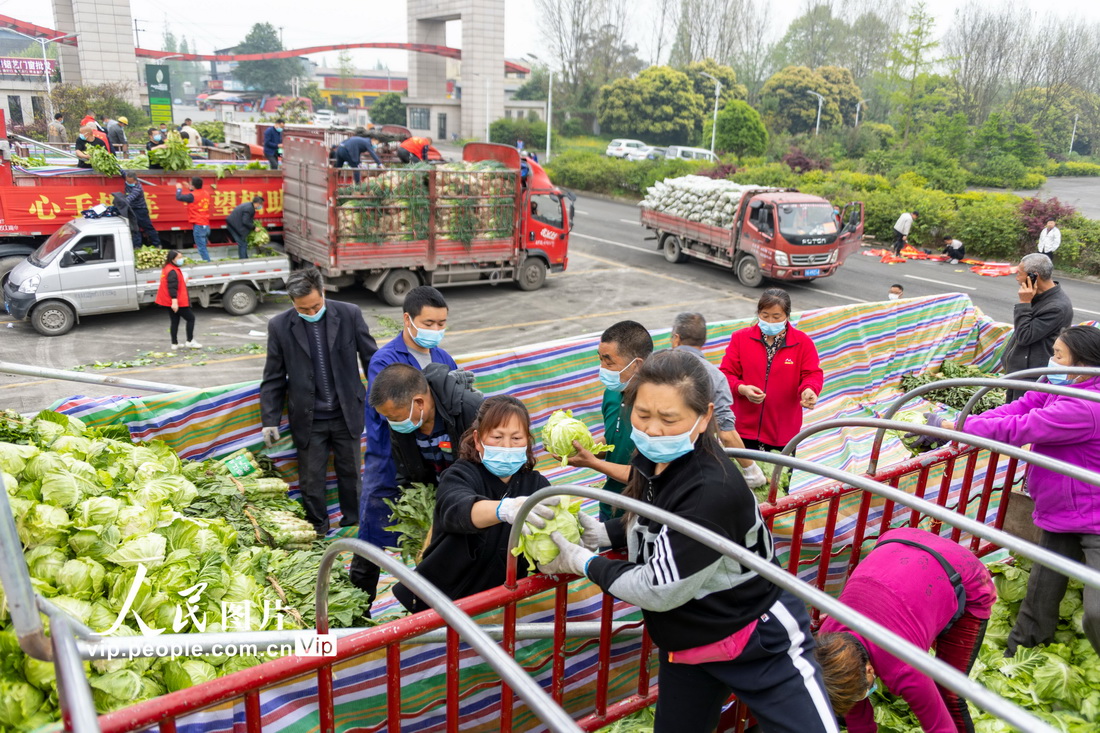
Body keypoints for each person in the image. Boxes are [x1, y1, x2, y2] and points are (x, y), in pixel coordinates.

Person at [541, 350, 839, 733]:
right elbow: (651, 512)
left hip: (755, 634)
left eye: (669, 419)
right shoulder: (656, 457)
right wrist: (606, 534)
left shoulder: (709, 493)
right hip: (688, 642)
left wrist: (584, 563)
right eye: (642, 415)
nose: (651, 430)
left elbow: (657, 588)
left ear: (704, 418)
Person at [929, 325, 1100, 658]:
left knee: (1097, 611)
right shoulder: (1058, 384)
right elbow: (1018, 407)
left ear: (1083, 365)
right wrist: (966, 424)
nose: (1051, 362)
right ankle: (1020, 652)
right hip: (1061, 508)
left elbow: (1024, 427)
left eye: (1059, 356)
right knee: (1041, 590)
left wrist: (955, 427)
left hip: (1094, 516)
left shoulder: (1089, 406)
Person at [384, 392, 559, 612]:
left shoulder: (536, 486)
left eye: (516, 438)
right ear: (478, 440)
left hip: (499, 604)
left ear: (527, 442)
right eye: (497, 437)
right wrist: (503, 509)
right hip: (440, 602)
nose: (507, 446)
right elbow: (456, 509)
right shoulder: (460, 474)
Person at [815, 528, 996, 733]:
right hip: (900, 546)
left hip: (960, 568)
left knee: (949, 692)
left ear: (869, 669)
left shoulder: (904, 666)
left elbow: (942, 729)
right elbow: (859, 719)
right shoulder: (829, 648)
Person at [354, 361, 484, 605]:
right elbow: (407, 474)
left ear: (419, 403)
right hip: (436, 496)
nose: (392, 423)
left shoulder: (470, 410)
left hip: (473, 500)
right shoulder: (403, 425)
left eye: (394, 417)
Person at [259, 268, 378, 536]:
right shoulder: (279, 326)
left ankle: (354, 526)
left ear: (323, 292)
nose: (312, 313)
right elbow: (273, 377)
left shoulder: (349, 314)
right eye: (304, 310)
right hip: (308, 418)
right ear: (292, 302)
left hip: (346, 412)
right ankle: (319, 531)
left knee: (351, 474)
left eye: (316, 306)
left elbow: (372, 359)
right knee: (311, 481)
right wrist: (270, 420)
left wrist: (381, 400)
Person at [358, 287, 458, 587]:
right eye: (429, 324)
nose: (436, 331)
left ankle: (423, 595)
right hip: (389, 459)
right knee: (372, 533)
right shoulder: (385, 360)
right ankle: (360, 599)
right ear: (408, 319)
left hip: (432, 462)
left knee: (426, 531)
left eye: (441, 324)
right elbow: (390, 415)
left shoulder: (443, 357)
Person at [557, 321, 654, 521]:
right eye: (600, 360)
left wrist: (593, 463)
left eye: (609, 362)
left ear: (637, 364)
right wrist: (584, 448)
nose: (602, 368)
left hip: (642, 512)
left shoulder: (655, 407)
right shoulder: (611, 393)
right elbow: (614, 439)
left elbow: (645, 476)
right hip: (609, 506)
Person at [720, 289, 823, 455]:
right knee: (742, 477)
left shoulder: (802, 343)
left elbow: (812, 374)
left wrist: (809, 389)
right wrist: (742, 389)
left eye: (776, 317)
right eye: (764, 315)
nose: (769, 321)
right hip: (743, 428)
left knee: (778, 479)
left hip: (782, 431)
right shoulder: (741, 338)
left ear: (787, 316)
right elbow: (725, 374)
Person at [669, 312, 765, 488]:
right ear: (703, 341)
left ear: (676, 338)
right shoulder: (715, 376)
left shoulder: (654, 363)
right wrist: (752, 470)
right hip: (691, 467)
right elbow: (726, 433)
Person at [1000, 253, 1074, 401]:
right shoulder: (1038, 296)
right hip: (1018, 374)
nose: (1016, 278)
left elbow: (1025, 336)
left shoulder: (1057, 307)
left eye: (1019, 274)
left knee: (1018, 420)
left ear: (1033, 276)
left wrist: (1024, 303)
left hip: (1031, 377)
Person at [154, 250, 201, 350]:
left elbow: (173, 284)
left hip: (168, 301)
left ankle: (174, 343)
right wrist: (174, 302)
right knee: (190, 318)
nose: (181, 259)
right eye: (179, 258)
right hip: (177, 301)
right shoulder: (172, 271)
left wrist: (183, 282)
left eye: (181, 257)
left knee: (175, 321)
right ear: (173, 259)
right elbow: (172, 287)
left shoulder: (167, 268)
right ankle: (190, 341)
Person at [175, 177, 212, 262]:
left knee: (202, 248)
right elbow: (196, 195)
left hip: (199, 225)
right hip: (206, 225)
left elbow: (179, 197)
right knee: (203, 246)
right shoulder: (206, 193)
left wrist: (179, 189)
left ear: (193, 186)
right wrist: (189, 187)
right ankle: (207, 261)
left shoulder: (192, 196)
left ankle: (208, 263)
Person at [122, 172, 162, 249]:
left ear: (134, 180)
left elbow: (131, 197)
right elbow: (122, 172)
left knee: (148, 227)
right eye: (127, 181)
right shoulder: (127, 178)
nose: (127, 183)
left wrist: (123, 202)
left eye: (129, 182)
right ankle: (137, 246)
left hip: (140, 210)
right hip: (132, 209)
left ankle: (157, 245)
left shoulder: (137, 188)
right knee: (135, 228)